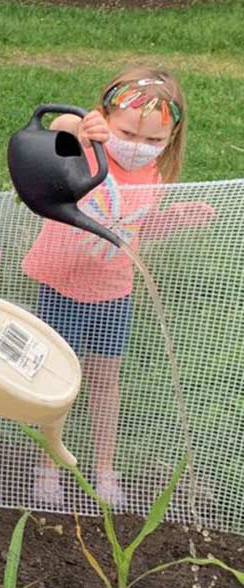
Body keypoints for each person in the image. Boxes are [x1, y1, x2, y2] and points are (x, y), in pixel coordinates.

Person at [23, 66, 214, 507]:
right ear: (104, 118)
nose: (137, 147)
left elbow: (136, 230)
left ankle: (104, 467)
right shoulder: (87, 153)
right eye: (127, 131)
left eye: (153, 141)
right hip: (61, 285)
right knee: (55, 376)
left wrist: (177, 220)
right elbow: (56, 128)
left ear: (170, 141)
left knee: (105, 381)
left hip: (113, 292)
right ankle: (48, 463)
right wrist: (81, 125)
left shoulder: (154, 178)